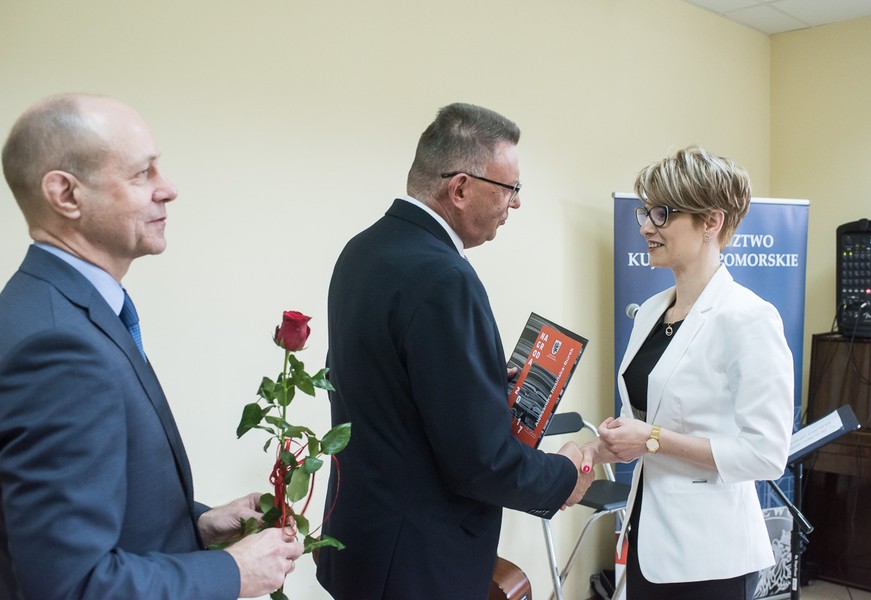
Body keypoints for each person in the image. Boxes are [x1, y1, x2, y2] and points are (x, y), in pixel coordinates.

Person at [0, 94, 303, 600]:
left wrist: (197, 524)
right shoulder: (56, 347)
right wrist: (234, 573)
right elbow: (71, 585)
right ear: (66, 195)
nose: (169, 189)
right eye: (142, 174)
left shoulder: (59, 309)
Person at [316, 103, 594, 600]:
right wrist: (566, 473)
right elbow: (479, 464)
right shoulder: (446, 279)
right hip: (418, 563)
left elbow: (387, 384)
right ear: (461, 188)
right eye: (510, 189)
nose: (516, 204)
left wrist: (480, 384)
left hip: (361, 543)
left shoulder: (362, 249)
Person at [589, 146, 794, 599]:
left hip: (710, 554)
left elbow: (766, 454)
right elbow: (638, 424)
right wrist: (592, 453)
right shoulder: (648, 312)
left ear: (712, 222)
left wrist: (654, 439)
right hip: (646, 535)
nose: (645, 226)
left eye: (662, 214)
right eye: (646, 211)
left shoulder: (748, 318)